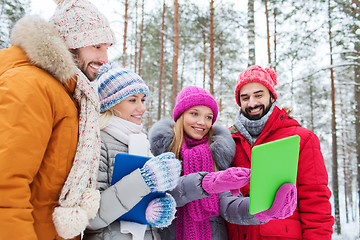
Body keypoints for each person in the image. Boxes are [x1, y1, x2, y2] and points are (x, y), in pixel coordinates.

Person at [0, 0, 116, 239]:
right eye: (96, 46)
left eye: (108, 47)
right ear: (70, 45)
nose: (105, 58)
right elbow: (6, 185)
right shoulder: (30, 85)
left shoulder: (71, 95)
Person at [148, 86, 297, 240]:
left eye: (208, 117)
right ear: (180, 115)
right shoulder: (161, 154)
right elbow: (166, 195)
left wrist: (262, 210)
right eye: (194, 114)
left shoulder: (215, 155)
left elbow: (229, 206)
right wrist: (206, 183)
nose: (202, 122)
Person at [227, 65, 335, 240]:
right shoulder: (229, 141)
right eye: (245, 97)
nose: (252, 103)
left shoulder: (301, 138)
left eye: (258, 95)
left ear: (271, 95)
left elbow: (316, 202)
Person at [83, 62, 181, 240]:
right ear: (111, 103)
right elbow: (91, 217)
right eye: (133, 100)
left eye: (143, 100)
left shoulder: (141, 142)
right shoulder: (96, 142)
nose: (142, 108)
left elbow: (136, 199)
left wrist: (153, 211)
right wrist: (145, 180)